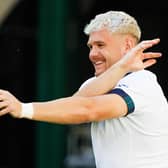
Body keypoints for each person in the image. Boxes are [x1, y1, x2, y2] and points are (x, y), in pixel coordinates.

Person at [0, 11, 166, 168]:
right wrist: (122, 65)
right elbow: (74, 104)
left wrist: (22, 108)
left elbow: (88, 110)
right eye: (90, 47)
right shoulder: (96, 83)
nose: (92, 54)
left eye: (100, 45)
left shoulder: (142, 83)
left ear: (128, 46)